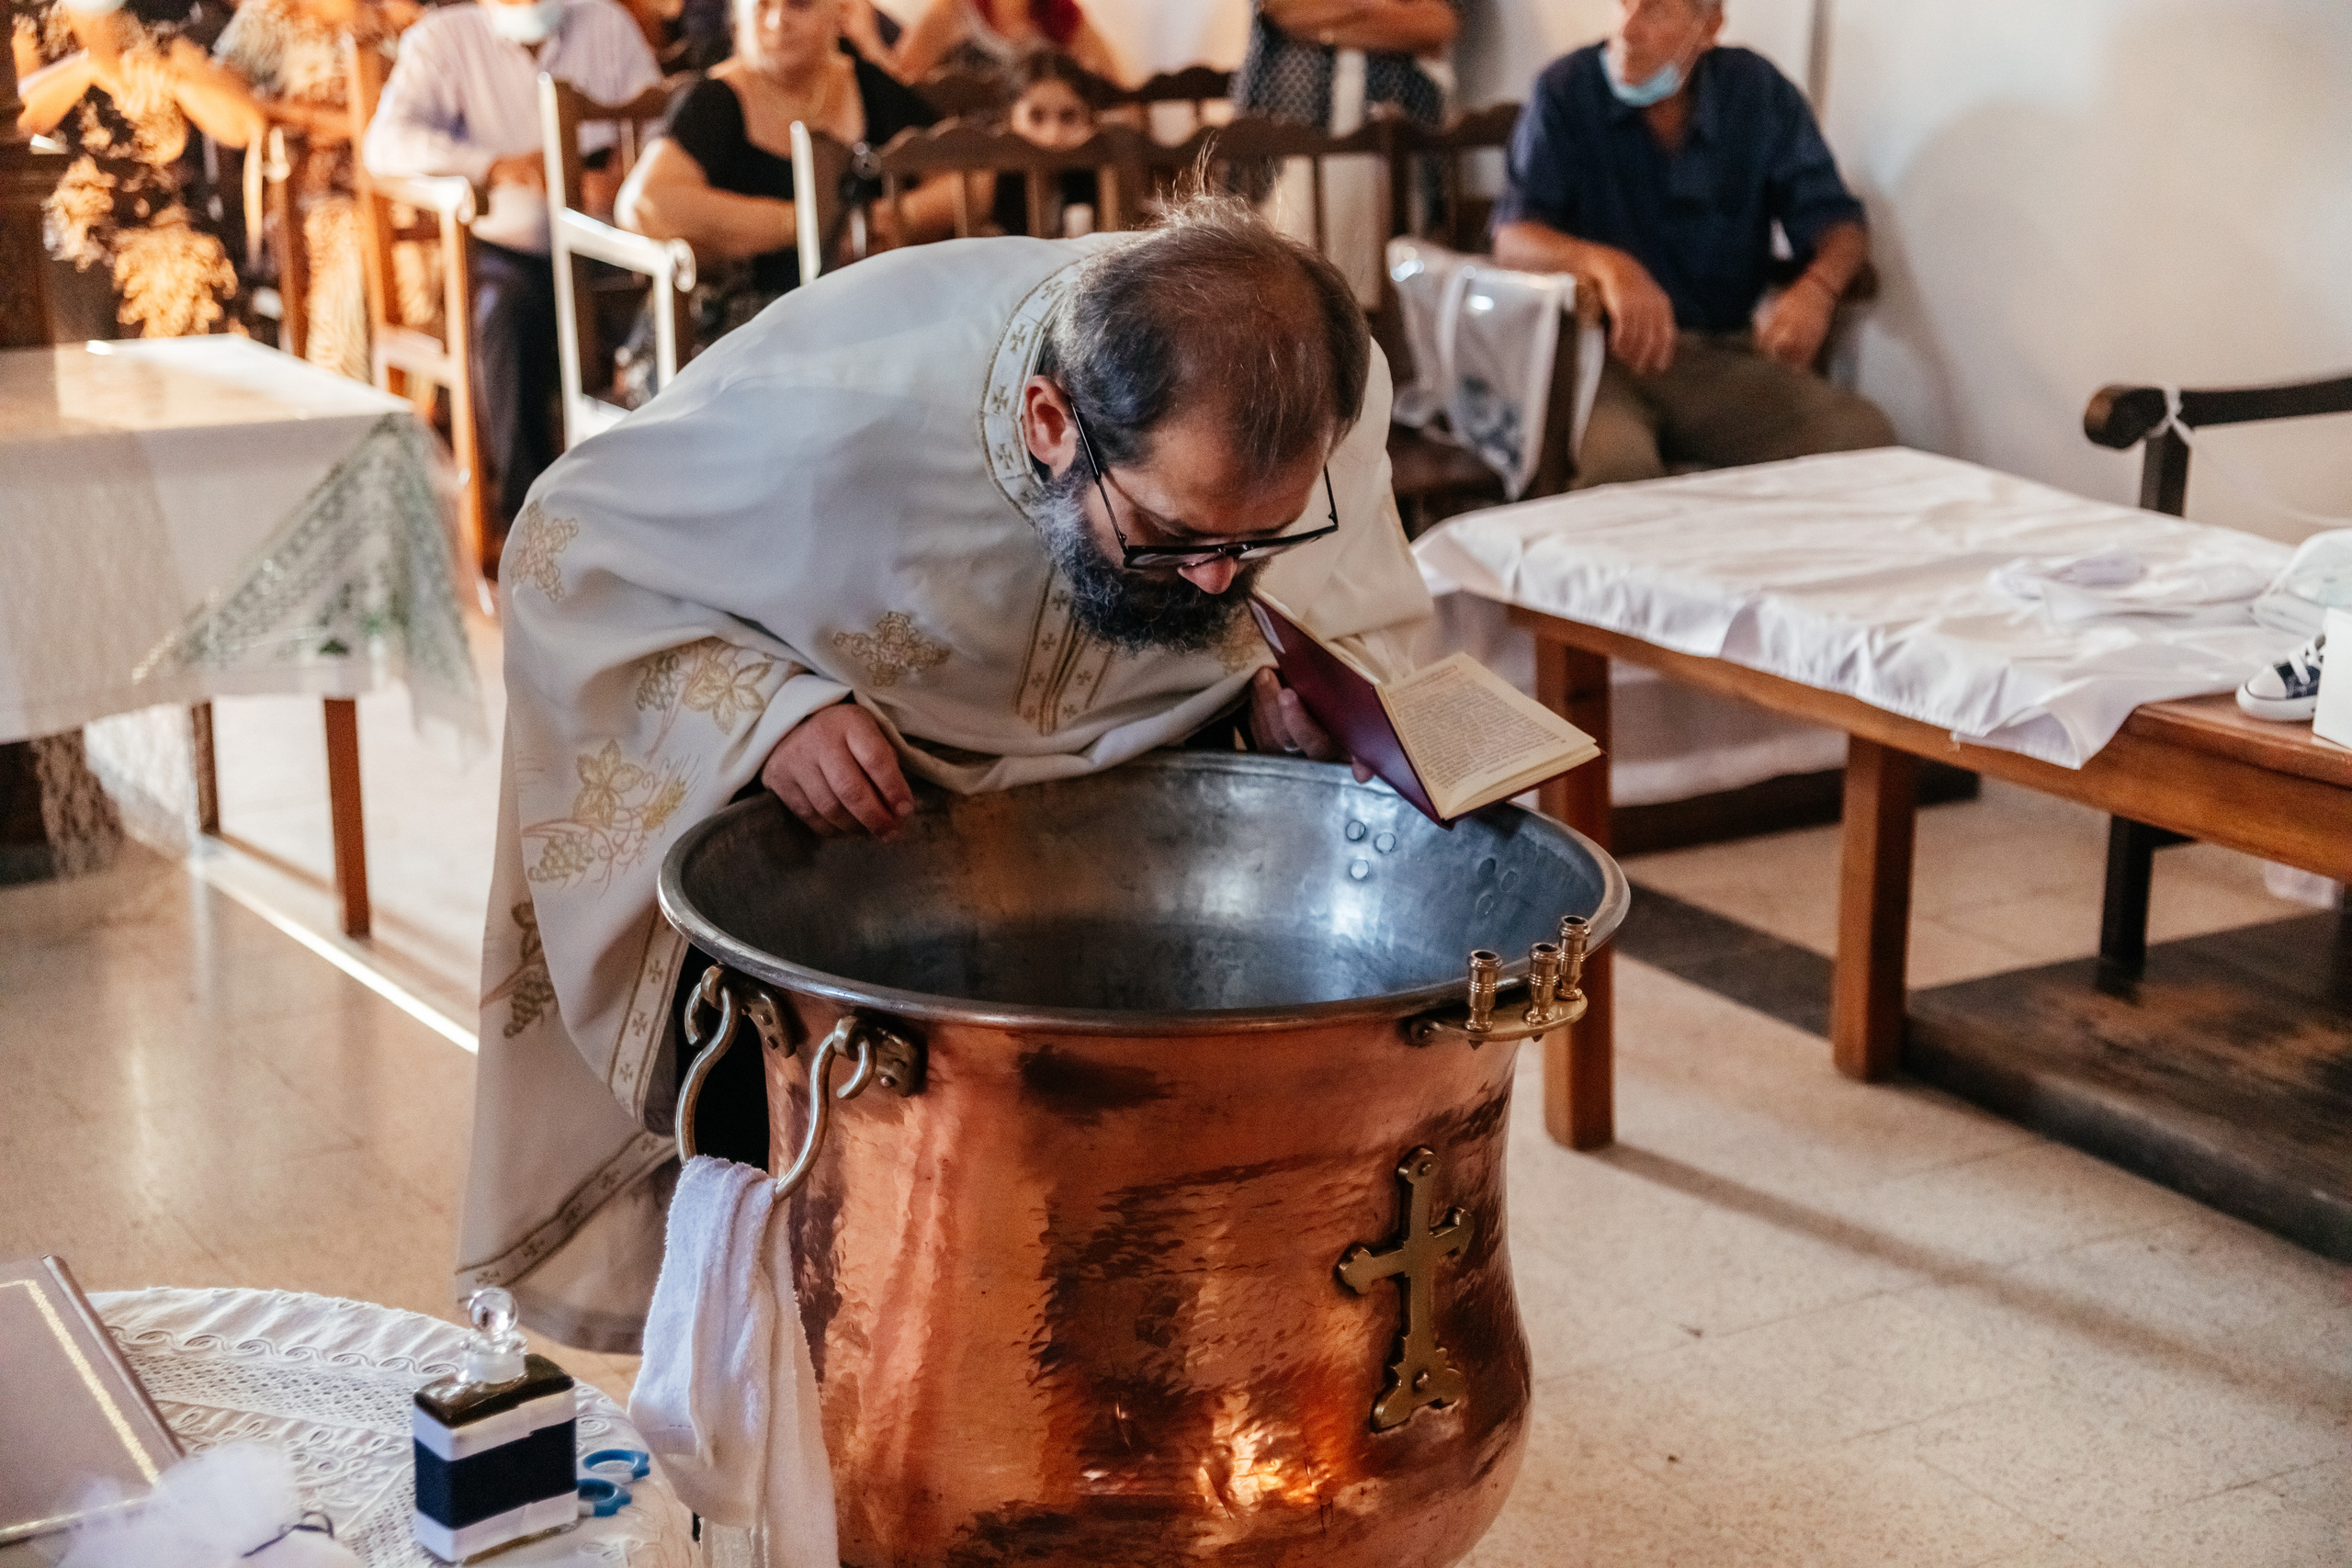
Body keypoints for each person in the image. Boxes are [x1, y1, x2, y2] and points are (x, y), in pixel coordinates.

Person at [459, 195, 1434, 1348]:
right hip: (860, 877)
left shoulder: (1322, 397)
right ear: (1049, 421)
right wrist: (768, 714)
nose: (1219, 581)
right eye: (1176, 536)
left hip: (1139, 883)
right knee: (858, 1296)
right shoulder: (834, 410)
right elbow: (567, 553)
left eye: (1256, 540)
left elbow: (1351, 616)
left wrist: (1292, 701)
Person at [1492, 0, 1895, 487]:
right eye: (1623, 4)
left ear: (1709, 27)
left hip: (1721, 358)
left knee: (1863, 436)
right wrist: (1610, 267)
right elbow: (1513, 239)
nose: (1628, 30)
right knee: (1620, 474)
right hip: (1601, 364)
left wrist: (1818, 290)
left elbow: (1838, 223)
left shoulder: (1756, 91)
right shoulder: (1566, 89)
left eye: (1656, 11)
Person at [359, 0, 661, 545]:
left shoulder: (605, 23)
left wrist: (626, 169)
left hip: (603, 247)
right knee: (504, 318)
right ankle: (532, 521)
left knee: (665, 315)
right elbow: (386, 144)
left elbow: (661, 123)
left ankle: (642, 518)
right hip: (506, 250)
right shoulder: (442, 38)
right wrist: (494, 167)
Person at [613, 0, 951, 369]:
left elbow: (971, 178)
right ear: (739, 17)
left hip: (859, 316)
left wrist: (885, 219)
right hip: (730, 331)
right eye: (762, 6)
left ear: (836, 13)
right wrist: (803, 225)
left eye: (799, 5)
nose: (778, 22)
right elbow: (644, 202)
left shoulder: (870, 85)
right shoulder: (713, 100)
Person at [14, 0, 258, 337]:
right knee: (132, 273)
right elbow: (17, 120)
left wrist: (173, 80)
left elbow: (245, 125)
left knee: (195, 260)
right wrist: (87, 68)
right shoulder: (28, 28)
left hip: (166, 223)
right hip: (73, 226)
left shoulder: (158, 34)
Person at [208, 0, 385, 380]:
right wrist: (304, 118)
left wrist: (322, 118)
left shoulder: (394, 16)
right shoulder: (272, 16)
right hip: (307, 193)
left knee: (441, 235)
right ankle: (340, 393)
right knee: (348, 233)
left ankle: (424, 397)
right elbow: (222, 93)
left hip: (399, 182)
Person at [985, 48, 1096, 238]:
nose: (1052, 136)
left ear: (1090, 119)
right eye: (1036, 117)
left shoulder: (1105, 176)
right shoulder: (988, 179)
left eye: (1068, 117)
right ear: (1011, 119)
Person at [887, 0, 1119, 89]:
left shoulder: (1063, 18)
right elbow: (901, 83)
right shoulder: (953, 11)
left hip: (1045, 160)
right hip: (965, 161)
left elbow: (1115, 90)